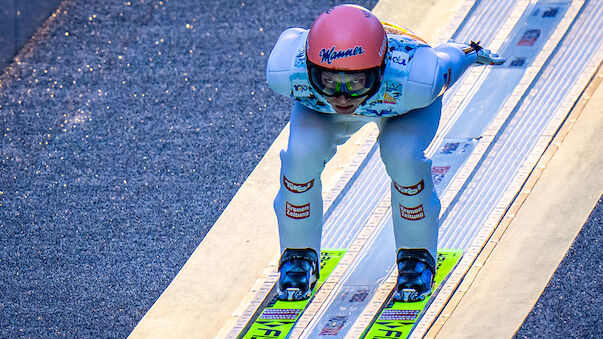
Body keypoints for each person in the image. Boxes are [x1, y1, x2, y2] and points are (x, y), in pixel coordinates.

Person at [266, 4, 504, 302]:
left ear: (381, 70)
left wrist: (467, 52)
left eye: (355, 82)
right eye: (327, 80)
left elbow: (448, 59)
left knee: (403, 157)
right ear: (308, 68)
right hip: (390, 100)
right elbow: (294, 38)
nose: (342, 96)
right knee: (301, 156)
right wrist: (466, 52)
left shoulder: (418, 76)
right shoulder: (286, 68)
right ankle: (297, 252)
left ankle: (417, 252)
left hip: (388, 106)